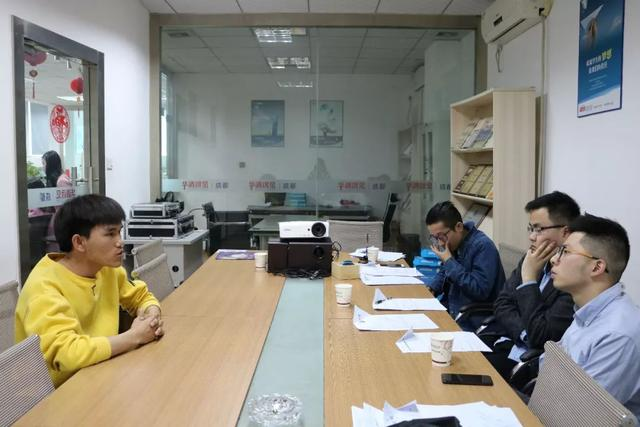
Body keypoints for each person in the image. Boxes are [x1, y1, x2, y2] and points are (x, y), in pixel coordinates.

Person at [15, 194, 164, 387]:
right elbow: (66, 354)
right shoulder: (44, 287)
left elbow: (140, 296)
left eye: (120, 232)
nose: (120, 242)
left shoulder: (106, 269)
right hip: (56, 392)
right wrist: (135, 336)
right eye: (110, 234)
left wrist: (151, 315)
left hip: (101, 371)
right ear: (79, 242)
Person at [551, 214, 640, 418]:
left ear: (597, 267)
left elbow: (582, 414)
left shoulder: (618, 334)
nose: (554, 259)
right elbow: (551, 373)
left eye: (565, 251)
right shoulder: (588, 310)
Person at [484, 191, 579, 379]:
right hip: (509, 343)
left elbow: (542, 337)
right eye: (531, 228)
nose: (532, 237)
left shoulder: (572, 276)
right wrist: (524, 332)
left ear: (565, 232)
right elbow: (502, 303)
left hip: (531, 365)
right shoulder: (532, 258)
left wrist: (529, 279)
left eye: (539, 229)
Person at [425, 201, 505, 331]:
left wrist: (449, 260)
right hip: (452, 312)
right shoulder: (455, 242)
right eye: (434, 238)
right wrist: (433, 287)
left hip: (473, 322)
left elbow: (479, 290)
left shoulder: (483, 247)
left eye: (441, 236)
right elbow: (445, 270)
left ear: (459, 227)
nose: (439, 242)